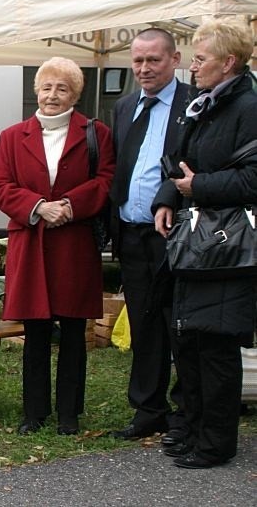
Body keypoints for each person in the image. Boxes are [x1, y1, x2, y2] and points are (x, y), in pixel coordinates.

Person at [0, 56, 114, 435]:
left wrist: (71, 206)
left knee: (74, 331)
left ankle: (68, 415)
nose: (52, 95)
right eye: (46, 87)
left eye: (62, 88)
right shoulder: (12, 136)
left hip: (74, 244)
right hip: (31, 241)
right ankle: (34, 412)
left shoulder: (97, 133)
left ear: (75, 93)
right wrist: (38, 207)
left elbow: (106, 180)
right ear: (36, 91)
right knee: (36, 330)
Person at [153, 17, 257, 468]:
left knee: (215, 343)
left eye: (200, 59)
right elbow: (178, 161)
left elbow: (252, 178)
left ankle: (215, 443)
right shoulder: (204, 103)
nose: (192, 67)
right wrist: (167, 198)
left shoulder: (249, 107)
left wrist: (200, 187)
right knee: (189, 338)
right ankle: (193, 429)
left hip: (228, 248)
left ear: (228, 62)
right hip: (196, 240)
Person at [109, 28, 191, 442]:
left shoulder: (194, 103)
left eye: (153, 60)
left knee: (179, 323)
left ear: (175, 59)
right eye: (138, 60)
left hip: (175, 233)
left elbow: (193, 163)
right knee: (144, 325)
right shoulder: (125, 107)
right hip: (132, 233)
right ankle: (148, 410)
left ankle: (184, 413)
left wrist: (170, 199)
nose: (144, 68)